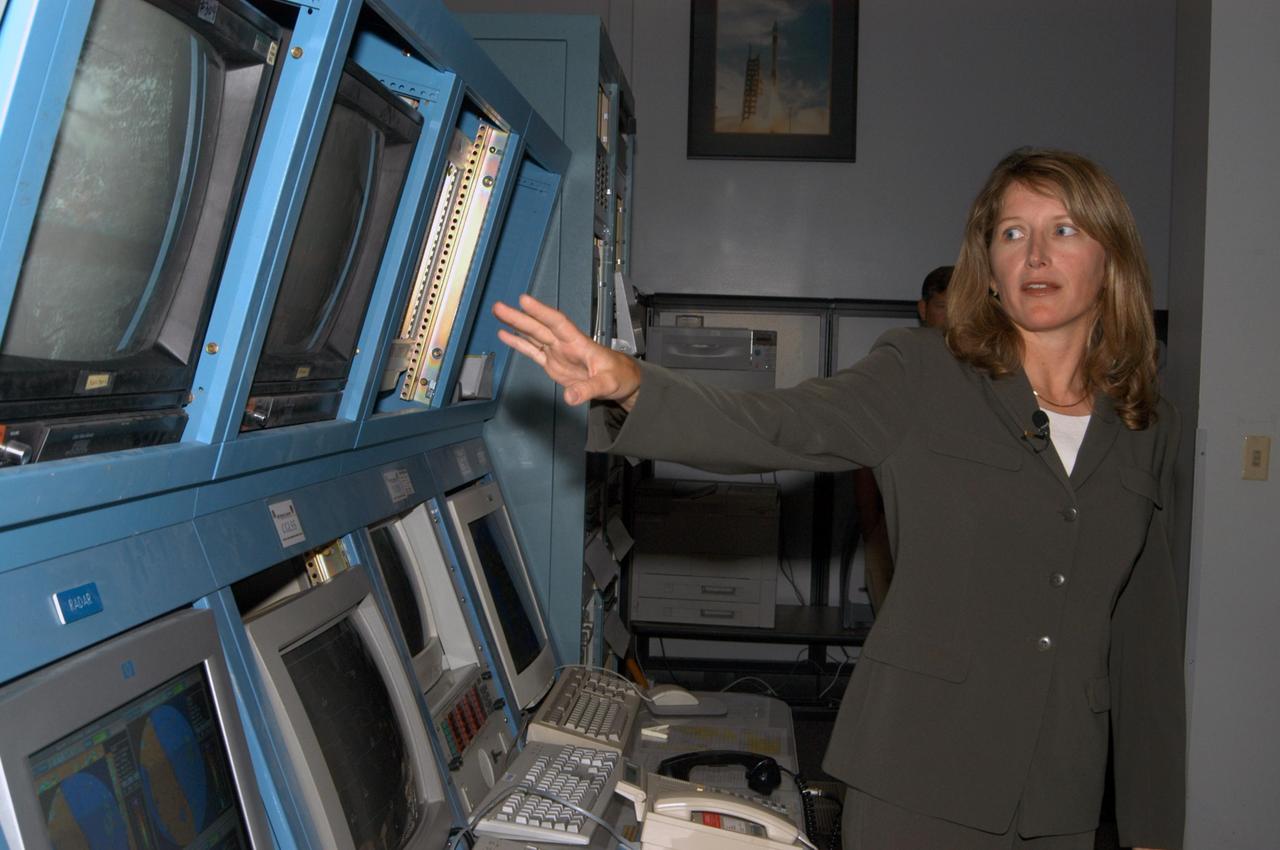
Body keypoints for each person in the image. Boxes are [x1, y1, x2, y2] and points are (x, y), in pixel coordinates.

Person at [493, 148, 1183, 850]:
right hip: (920, 778)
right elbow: (784, 423)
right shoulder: (923, 373)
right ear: (990, 269)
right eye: (1012, 232)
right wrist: (637, 386)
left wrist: (1154, 824)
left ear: (1110, 259)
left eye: (1063, 230)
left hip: (1059, 795)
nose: (1035, 253)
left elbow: (1145, 638)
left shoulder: (1145, 424)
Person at [861, 264, 956, 613]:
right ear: (924, 309)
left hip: (955, 527)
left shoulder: (984, 371)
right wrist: (873, 529)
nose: (952, 320)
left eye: (963, 309)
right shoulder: (900, 362)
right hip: (898, 522)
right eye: (943, 307)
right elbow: (864, 453)